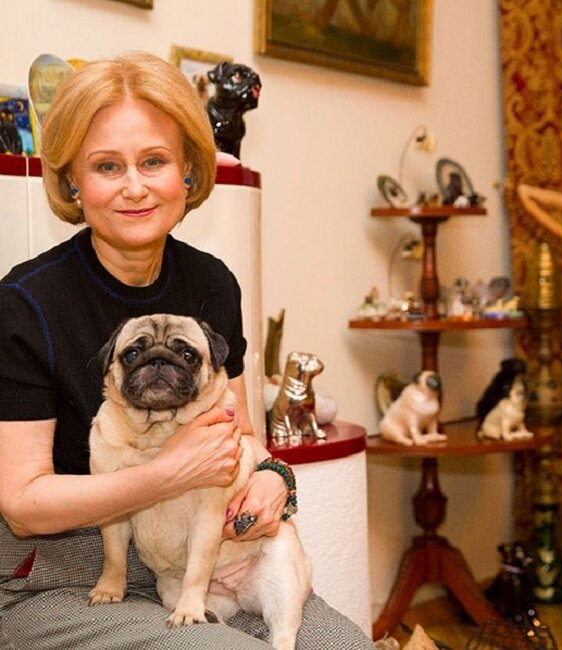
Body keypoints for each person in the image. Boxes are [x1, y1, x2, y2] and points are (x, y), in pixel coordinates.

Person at [0, 51, 374, 650]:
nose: (134, 186)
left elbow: (241, 434)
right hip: (60, 572)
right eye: (106, 166)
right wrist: (164, 474)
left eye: (154, 161)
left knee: (344, 645)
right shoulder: (25, 304)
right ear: (72, 180)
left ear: (189, 173)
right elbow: (22, 505)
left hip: (209, 552)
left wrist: (274, 477)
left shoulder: (213, 284)